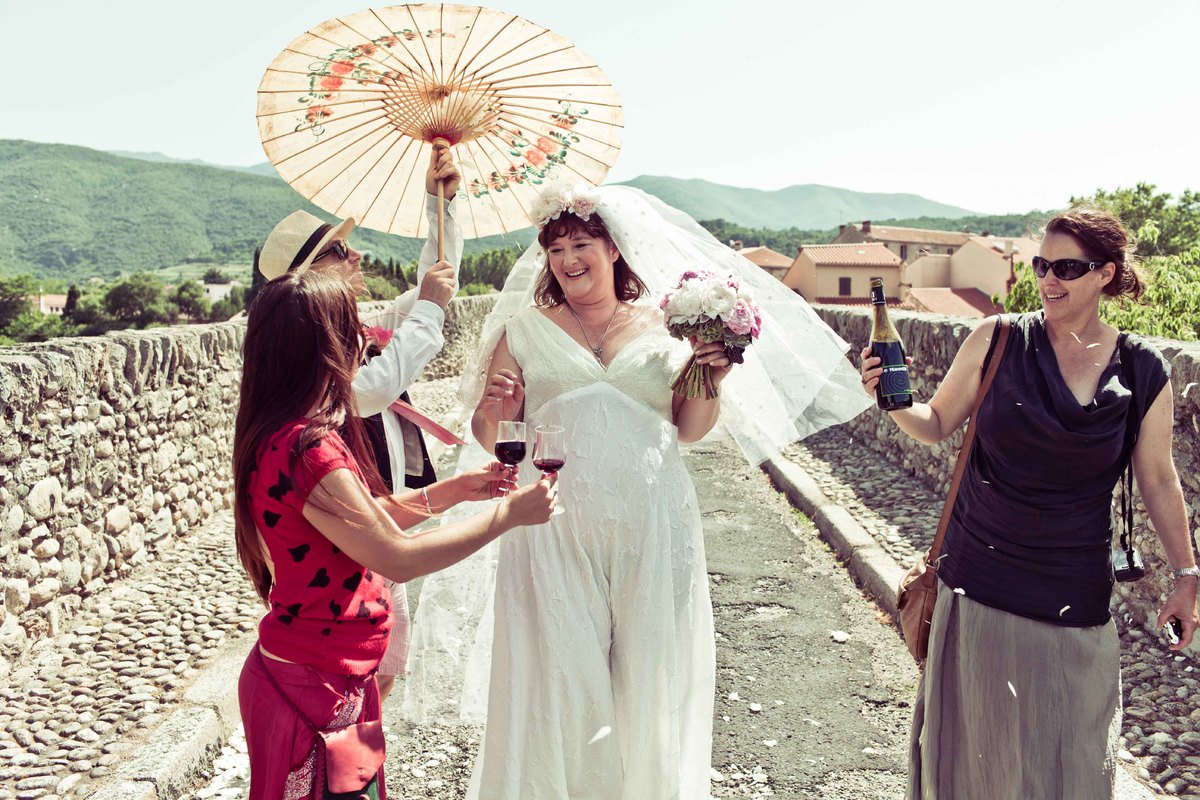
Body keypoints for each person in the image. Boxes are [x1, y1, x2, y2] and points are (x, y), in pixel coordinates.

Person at [403, 182, 872, 799]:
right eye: (557, 248)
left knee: (652, 676)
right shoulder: (522, 330)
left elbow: (691, 430)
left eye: (582, 243)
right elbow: (493, 438)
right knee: (561, 680)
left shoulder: (667, 323)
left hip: (655, 522)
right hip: (553, 529)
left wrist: (710, 375)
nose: (569, 259)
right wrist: (498, 408)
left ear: (613, 247)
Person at [859, 206, 1199, 799]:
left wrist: (1187, 576)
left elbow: (1160, 481)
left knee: (1071, 764)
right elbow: (936, 423)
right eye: (1042, 264)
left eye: (1067, 266)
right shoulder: (996, 340)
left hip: (1073, 596)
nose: (1048, 278)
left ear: (1105, 273)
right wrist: (891, 401)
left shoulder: (1143, 369)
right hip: (979, 587)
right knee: (974, 765)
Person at [233, 267, 556, 799]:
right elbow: (396, 556)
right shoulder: (308, 450)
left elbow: (365, 521)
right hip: (316, 683)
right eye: (350, 329)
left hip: (319, 672)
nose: (363, 340)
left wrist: (453, 491)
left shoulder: (279, 433)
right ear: (324, 347)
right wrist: (508, 515)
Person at [257, 145, 463, 704]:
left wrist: (440, 205)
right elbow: (370, 391)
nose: (357, 256)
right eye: (341, 250)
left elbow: (433, 285)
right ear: (311, 274)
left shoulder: (356, 327)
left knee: (384, 660)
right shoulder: (314, 360)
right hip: (352, 531)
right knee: (366, 664)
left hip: (377, 508)